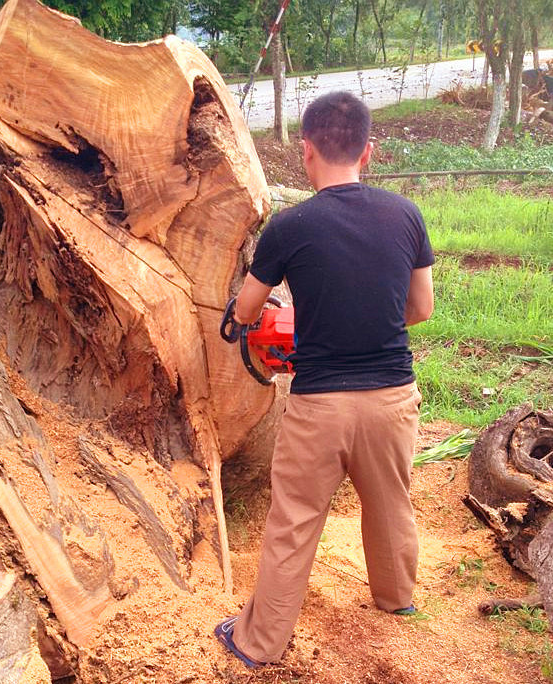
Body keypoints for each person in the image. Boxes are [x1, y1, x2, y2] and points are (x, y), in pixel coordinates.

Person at [214, 91, 435, 668]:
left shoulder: (291, 227)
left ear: (307, 152)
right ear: (369, 151)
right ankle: (397, 601)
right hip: (391, 398)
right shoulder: (406, 214)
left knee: (293, 522)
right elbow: (420, 308)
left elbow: (246, 308)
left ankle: (258, 643)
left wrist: (241, 320)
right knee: (391, 504)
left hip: (319, 407)